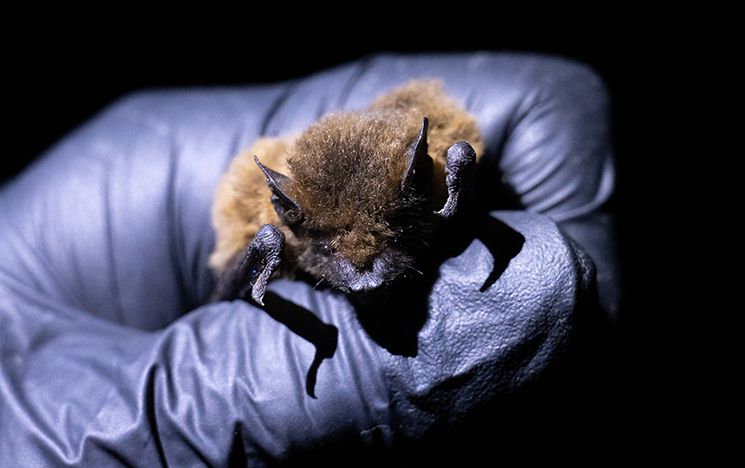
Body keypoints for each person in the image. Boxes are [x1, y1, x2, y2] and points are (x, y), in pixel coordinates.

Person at [0, 52, 616, 465]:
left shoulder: (444, 162)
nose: (363, 271)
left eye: (386, 243)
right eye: (336, 253)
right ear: (294, 221)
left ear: (426, 192)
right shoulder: (270, 220)